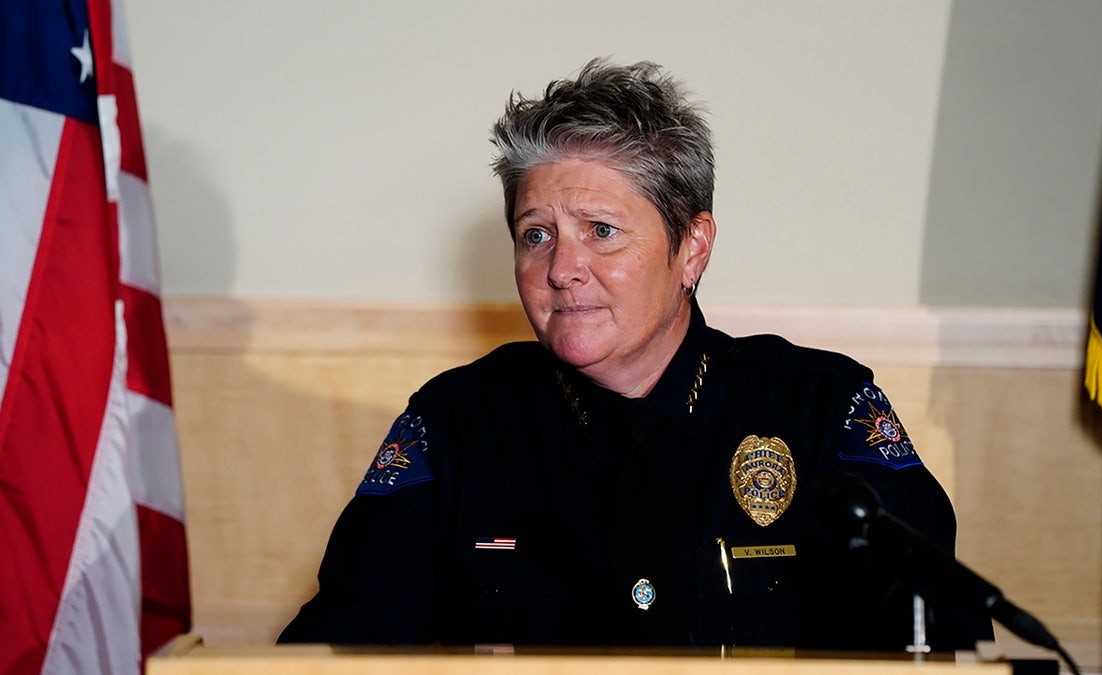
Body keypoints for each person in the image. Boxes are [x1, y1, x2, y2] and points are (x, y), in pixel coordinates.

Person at [278, 58, 994, 651]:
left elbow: (940, 643)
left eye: (601, 230)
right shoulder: (458, 425)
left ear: (692, 247)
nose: (562, 267)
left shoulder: (820, 413)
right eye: (536, 234)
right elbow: (342, 646)